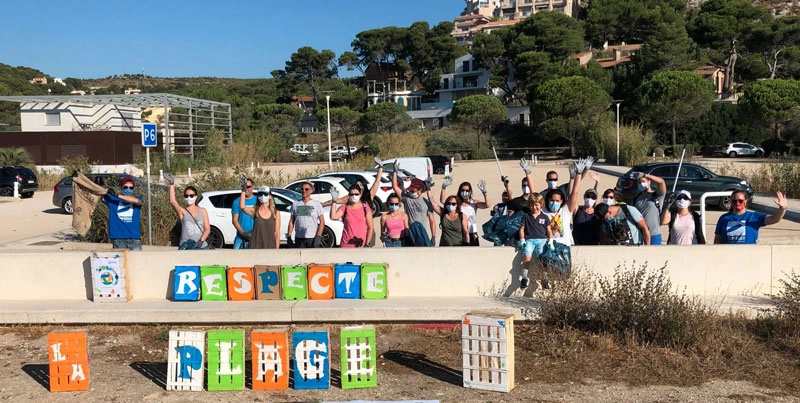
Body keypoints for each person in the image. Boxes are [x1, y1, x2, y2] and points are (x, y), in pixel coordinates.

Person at [714, 190, 787, 244]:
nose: (737, 203)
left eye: (740, 201)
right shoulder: (724, 218)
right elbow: (717, 239)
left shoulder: (754, 217)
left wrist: (782, 209)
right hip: (729, 257)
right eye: (734, 201)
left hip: (750, 256)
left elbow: (774, 219)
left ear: (745, 202)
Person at [391, 165, 436, 246]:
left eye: (413, 191)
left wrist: (433, 236)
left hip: (422, 234)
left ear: (420, 189)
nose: (411, 193)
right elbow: (395, 187)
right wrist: (394, 172)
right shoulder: (407, 199)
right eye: (410, 191)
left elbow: (432, 221)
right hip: (409, 234)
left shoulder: (426, 203)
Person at [518, 193, 553, 289]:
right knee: (527, 257)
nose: (534, 207)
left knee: (543, 259)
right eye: (532, 205)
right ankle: (524, 278)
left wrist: (550, 241)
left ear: (541, 204)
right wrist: (522, 240)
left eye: (536, 205)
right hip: (529, 240)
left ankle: (544, 279)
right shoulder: (526, 216)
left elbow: (549, 230)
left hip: (542, 240)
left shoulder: (545, 217)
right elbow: (521, 229)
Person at [165, 174, 210, 249]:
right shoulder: (182, 211)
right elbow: (172, 201)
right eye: (186, 196)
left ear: (196, 196)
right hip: (186, 246)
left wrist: (201, 241)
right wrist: (172, 184)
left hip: (201, 246)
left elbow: (207, 228)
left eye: (191, 196)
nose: (189, 198)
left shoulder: (202, 210)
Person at [441, 179, 490, 246]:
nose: (465, 192)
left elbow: (487, 205)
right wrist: (443, 188)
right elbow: (443, 201)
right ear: (459, 191)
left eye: (467, 190)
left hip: (473, 233)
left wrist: (485, 193)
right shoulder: (456, 202)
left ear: (470, 191)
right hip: (461, 234)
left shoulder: (474, 203)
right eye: (462, 190)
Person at [104, 176, 143, 250]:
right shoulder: (112, 199)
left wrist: (117, 195)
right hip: (118, 238)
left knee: (137, 261)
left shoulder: (137, 198)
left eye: (130, 188)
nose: (128, 189)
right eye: (125, 187)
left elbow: (137, 202)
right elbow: (98, 194)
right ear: (121, 187)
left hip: (134, 238)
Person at [330, 184, 374, 248]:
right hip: (346, 244)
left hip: (361, 244)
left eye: (356, 194)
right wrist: (334, 201)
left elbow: (370, 227)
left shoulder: (365, 208)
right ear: (349, 195)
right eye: (351, 194)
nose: (354, 196)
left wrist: (367, 244)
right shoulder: (344, 208)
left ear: (360, 194)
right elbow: (333, 217)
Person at [630, 170, 667, 245]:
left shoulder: (657, 196)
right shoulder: (636, 198)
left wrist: (645, 175)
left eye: (643, 181)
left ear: (649, 182)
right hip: (639, 235)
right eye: (639, 182)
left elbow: (661, 182)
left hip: (654, 235)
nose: (641, 184)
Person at [287, 180, 325, 248]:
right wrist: (289, 236)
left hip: (312, 238)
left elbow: (322, 221)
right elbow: (291, 221)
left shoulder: (316, 204)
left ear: (311, 191)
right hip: (299, 238)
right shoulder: (295, 204)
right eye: (302, 189)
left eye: (306, 189)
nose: (304, 191)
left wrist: (318, 236)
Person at [231, 177, 256, 249]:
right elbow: (235, 220)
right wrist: (243, 233)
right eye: (244, 187)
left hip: (254, 235)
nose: (246, 189)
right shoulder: (236, 202)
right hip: (240, 236)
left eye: (248, 187)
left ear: (253, 187)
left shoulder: (257, 201)